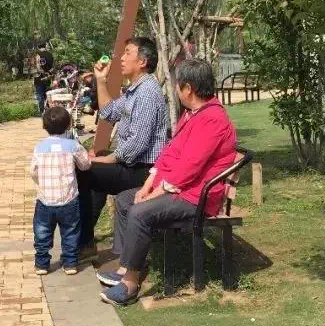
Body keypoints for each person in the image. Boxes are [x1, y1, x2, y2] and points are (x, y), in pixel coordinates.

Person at [97, 58, 237, 306]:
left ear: (188, 89)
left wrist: (155, 193)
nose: (175, 90)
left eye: (177, 85)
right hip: (183, 188)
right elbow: (170, 153)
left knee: (140, 212)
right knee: (126, 199)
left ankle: (130, 285)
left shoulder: (212, 119)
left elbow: (190, 166)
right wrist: (148, 184)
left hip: (197, 197)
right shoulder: (193, 114)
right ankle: (126, 267)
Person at [76, 37, 169, 256]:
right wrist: (101, 80)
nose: (122, 58)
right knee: (93, 168)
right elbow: (108, 112)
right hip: (134, 165)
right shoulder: (135, 90)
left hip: (145, 171)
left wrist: (105, 159)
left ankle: (82, 241)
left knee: (86, 171)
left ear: (142, 61)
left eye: (128, 53)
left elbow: (136, 145)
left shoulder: (147, 93)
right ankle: (84, 242)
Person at [29, 106, 91, 275]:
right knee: (70, 232)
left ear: (44, 126)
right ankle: (70, 264)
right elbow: (85, 165)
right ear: (69, 125)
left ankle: (42, 264)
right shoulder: (73, 146)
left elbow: (33, 171)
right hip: (69, 199)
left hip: (45, 200)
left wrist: (41, 182)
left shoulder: (39, 147)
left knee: (42, 232)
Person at [31, 43, 55, 114]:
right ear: (45, 47)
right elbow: (52, 67)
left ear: (38, 47)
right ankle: (48, 110)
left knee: (39, 94)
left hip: (39, 77)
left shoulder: (37, 55)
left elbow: (37, 67)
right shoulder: (50, 54)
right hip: (48, 77)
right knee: (47, 94)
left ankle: (41, 111)